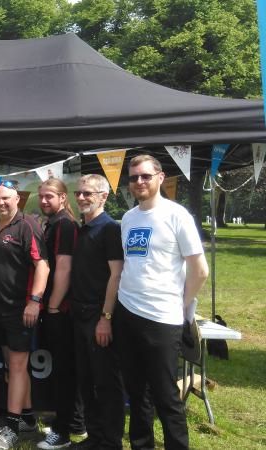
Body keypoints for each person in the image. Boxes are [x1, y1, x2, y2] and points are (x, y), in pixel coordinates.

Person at [116, 155, 208, 450]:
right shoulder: (129, 218)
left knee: (165, 395)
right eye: (133, 178)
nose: (139, 182)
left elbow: (200, 270)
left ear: (159, 177)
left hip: (162, 319)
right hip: (127, 313)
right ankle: (141, 445)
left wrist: (181, 306)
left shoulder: (176, 215)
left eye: (144, 176)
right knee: (136, 391)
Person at [0, 180, 49, 450]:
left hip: (20, 310)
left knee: (18, 366)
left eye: (6, 199)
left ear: (17, 200)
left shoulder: (27, 225)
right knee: (12, 364)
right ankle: (29, 418)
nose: (1, 203)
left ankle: (11, 429)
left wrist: (34, 301)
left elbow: (42, 266)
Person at [70, 174, 125, 450]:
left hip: (98, 317)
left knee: (106, 383)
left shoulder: (110, 229)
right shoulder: (82, 228)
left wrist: (106, 318)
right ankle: (95, 437)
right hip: (78, 315)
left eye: (88, 193)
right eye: (79, 193)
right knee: (87, 381)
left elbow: (116, 275)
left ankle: (111, 442)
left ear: (103, 196)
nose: (81, 197)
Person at [37, 178, 81, 449]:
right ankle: (74, 423)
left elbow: (64, 268)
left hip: (61, 310)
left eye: (49, 196)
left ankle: (64, 432)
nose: (43, 201)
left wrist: (52, 306)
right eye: (41, 196)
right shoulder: (54, 222)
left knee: (65, 372)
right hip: (57, 308)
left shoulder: (64, 224)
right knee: (65, 371)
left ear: (63, 198)